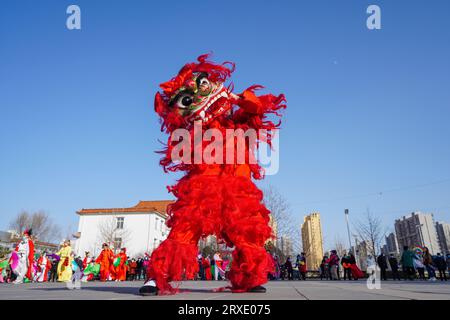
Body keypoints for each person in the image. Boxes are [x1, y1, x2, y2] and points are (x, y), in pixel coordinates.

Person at [139, 55, 285, 296]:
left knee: (246, 234)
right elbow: (179, 136)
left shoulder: (239, 122)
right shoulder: (194, 132)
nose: (202, 91)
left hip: (237, 190)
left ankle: (249, 278)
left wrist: (237, 98)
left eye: (204, 84)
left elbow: (258, 109)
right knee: (183, 231)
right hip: (201, 188)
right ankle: (157, 278)